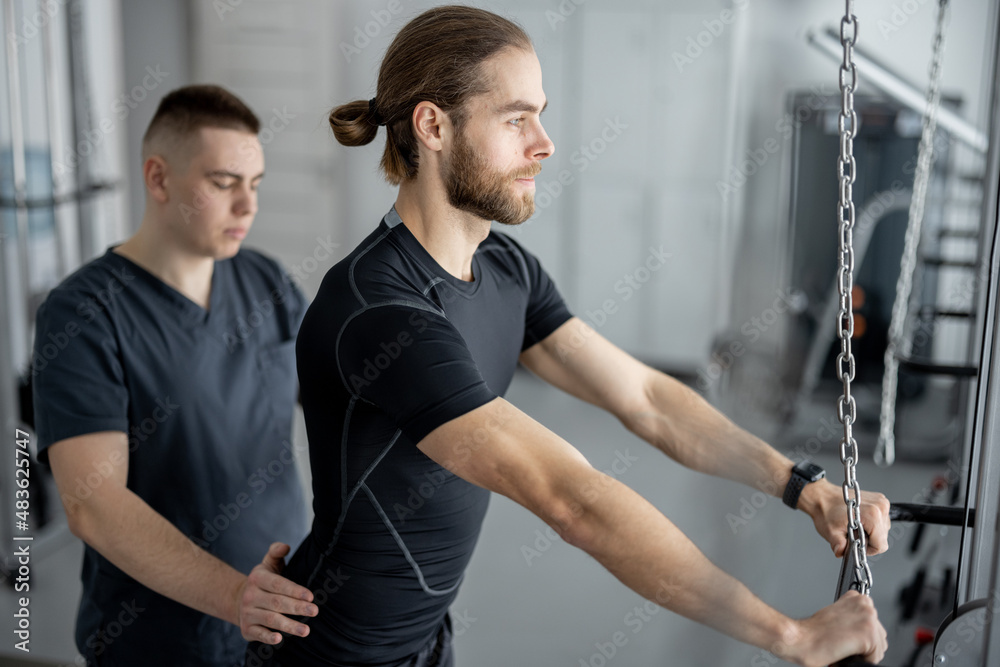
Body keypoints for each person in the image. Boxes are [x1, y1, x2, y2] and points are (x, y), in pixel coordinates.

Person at [246, 6, 891, 667]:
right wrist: (792, 635)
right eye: (516, 117)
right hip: (328, 653)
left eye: (541, 114)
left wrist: (801, 483)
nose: (545, 143)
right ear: (433, 125)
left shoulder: (504, 268)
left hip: (424, 643)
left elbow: (644, 397)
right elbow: (573, 499)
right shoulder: (380, 310)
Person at [32, 85, 320, 666]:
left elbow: (340, 399)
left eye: (255, 184)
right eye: (223, 183)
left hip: (283, 620)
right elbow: (94, 502)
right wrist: (236, 595)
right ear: (159, 179)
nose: (248, 206)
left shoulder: (266, 281)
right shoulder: (85, 313)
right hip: (160, 639)